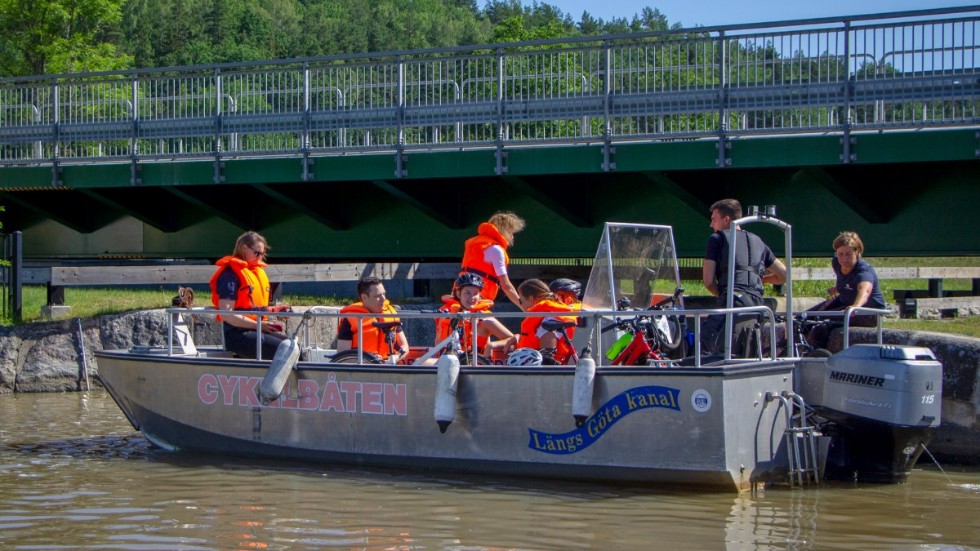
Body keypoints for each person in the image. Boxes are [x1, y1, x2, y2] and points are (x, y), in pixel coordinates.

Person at [701, 198, 787, 354]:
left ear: (726, 220)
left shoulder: (716, 239)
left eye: (714, 220)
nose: (711, 224)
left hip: (732, 302)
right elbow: (783, 275)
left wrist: (722, 295)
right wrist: (762, 280)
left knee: (705, 341)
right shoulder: (759, 241)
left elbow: (707, 281)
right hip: (757, 304)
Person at [209, 231, 291, 359]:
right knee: (284, 349)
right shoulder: (230, 275)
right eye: (257, 253)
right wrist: (259, 325)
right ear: (244, 248)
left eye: (262, 254)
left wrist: (273, 311)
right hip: (237, 333)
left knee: (293, 346)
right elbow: (227, 313)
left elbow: (254, 307)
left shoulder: (257, 272)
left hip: (257, 328)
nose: (259, 257)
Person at [805, 231, 887, 349]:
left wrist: (856, 305)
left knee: (821, 324)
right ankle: (790, 350)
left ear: (857, 252)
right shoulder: (836, 262)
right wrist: (838, 288)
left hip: (867, 312)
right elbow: (847, 281)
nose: (844, 259)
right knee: (804, 318)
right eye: (840, 254)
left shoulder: (863, 271)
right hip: (844, 302)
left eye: (848, 254)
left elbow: (865, 290)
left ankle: (815, 356)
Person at [435, 273, 514, 361]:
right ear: (458, 293)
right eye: (467, 293)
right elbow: (437, 344)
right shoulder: (445, 315)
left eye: (475, 293)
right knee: (423, 362)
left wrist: (492, 345)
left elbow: (514, 339)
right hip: (446, 362)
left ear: (479, 296)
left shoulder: (485, 320)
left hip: (475, 364)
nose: (472, 297)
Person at [460, 211, 526, 310]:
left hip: (461, 297)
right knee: (492, 325)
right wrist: (525, 308)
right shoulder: (496, 250)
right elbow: (506, 286)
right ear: (504, 231)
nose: (512, 237)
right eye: (511, 232)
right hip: (477, 300)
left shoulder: (474, 244)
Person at [337, 276, 410, 363]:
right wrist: (368, 360)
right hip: (363, 369)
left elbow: (404, 345)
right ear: (364, 297)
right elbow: (341, 357)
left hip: (389, 366)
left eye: (384, 294)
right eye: (378, 296)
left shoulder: (391, 314)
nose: (384, 299)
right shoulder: (351, 319)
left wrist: (395, 358)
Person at [508, 279, 577, 364]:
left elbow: (548, 358)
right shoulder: (550, 314)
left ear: (531, 299)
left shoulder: (548, 320)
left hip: (546, 371)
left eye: (521, 301)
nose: (521, 304)